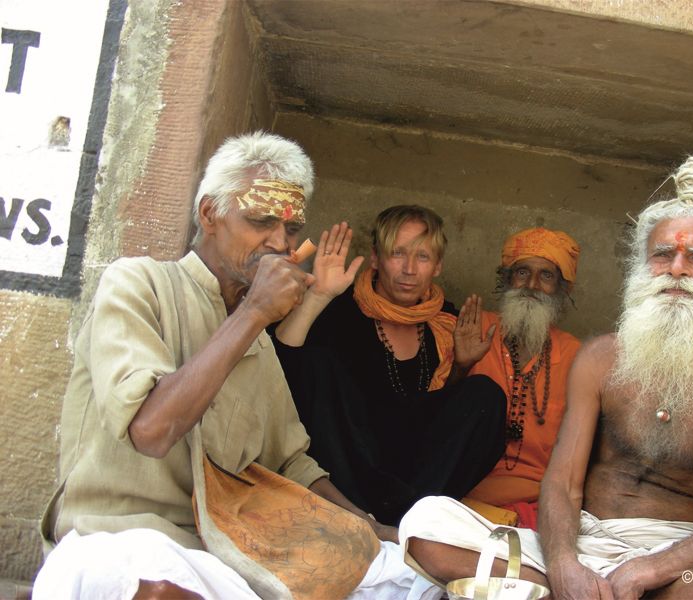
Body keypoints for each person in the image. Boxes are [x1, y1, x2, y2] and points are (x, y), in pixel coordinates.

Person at [399, 142, 693, 599]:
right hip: (585, 543)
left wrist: (653, 569)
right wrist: (564, 565)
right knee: (425, 524)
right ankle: (567, 590)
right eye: (662, 254)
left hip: (682, 564)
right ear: (641, 266)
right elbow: (563, 483)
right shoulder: (601, 357)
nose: (677, 269)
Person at [33, 131, 417, 599]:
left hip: (225, 554)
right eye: (261, 221)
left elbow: (292, 465)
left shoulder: (257, 342)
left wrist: (374, 531)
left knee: (409, 578)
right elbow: (150, 430)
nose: (278, 242)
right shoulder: (138, 283)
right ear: (209, 214)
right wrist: (254, 312)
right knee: (146, 581)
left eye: (291, 229)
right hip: (119, 538)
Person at [273, 205, 507, 524]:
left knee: (485, 395)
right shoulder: (340, 311)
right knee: (317, 363)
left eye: (422, 257)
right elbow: (283, 365)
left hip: (416, 476)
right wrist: (318, 295)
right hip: (349, 466)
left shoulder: (444, 323)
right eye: (398, 253)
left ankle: (415, 515)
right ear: (375, 258)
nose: (409, 269)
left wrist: (460, 368)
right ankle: (366, 516)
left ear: (438, 266)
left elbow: (433, 416)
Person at [448, 227, 581, 529]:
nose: (532, 285)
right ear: (507, 279)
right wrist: (460, 367)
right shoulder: (473, 328)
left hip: (537, 505)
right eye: (522, 272)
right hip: (460, 495)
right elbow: (432, 425)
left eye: (546, 276)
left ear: (562, 289)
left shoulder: (574, 355)